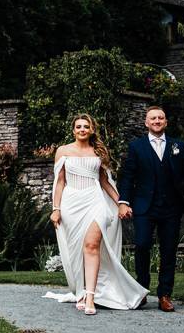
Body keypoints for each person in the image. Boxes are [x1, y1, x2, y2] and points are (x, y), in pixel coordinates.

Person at [44, 114, 148, 314]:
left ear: (92, 129)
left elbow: (104, 182)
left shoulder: (98, 151)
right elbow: (59, 182)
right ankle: (81, 292)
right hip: (71, 203)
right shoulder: (63, 151)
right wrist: (56, 209)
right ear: (73, 130)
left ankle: (90, 297)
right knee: (76, 250)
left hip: (95, 201)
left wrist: (122, 203)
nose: (82, 129)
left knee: (92, 246)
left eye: (86, 126)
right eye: (78, 126)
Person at [117, 106, 184, 312]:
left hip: (171, 207)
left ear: (166, 122)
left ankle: (165, 295)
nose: (157, 121)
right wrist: (124, 202)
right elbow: (128, 176)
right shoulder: (136, 146)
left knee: (169, 250)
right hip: (144, 206)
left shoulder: (178, 145)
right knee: (141, 245)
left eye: (160, 118)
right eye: (153, 118)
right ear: (146, 123)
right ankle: (141, 291)